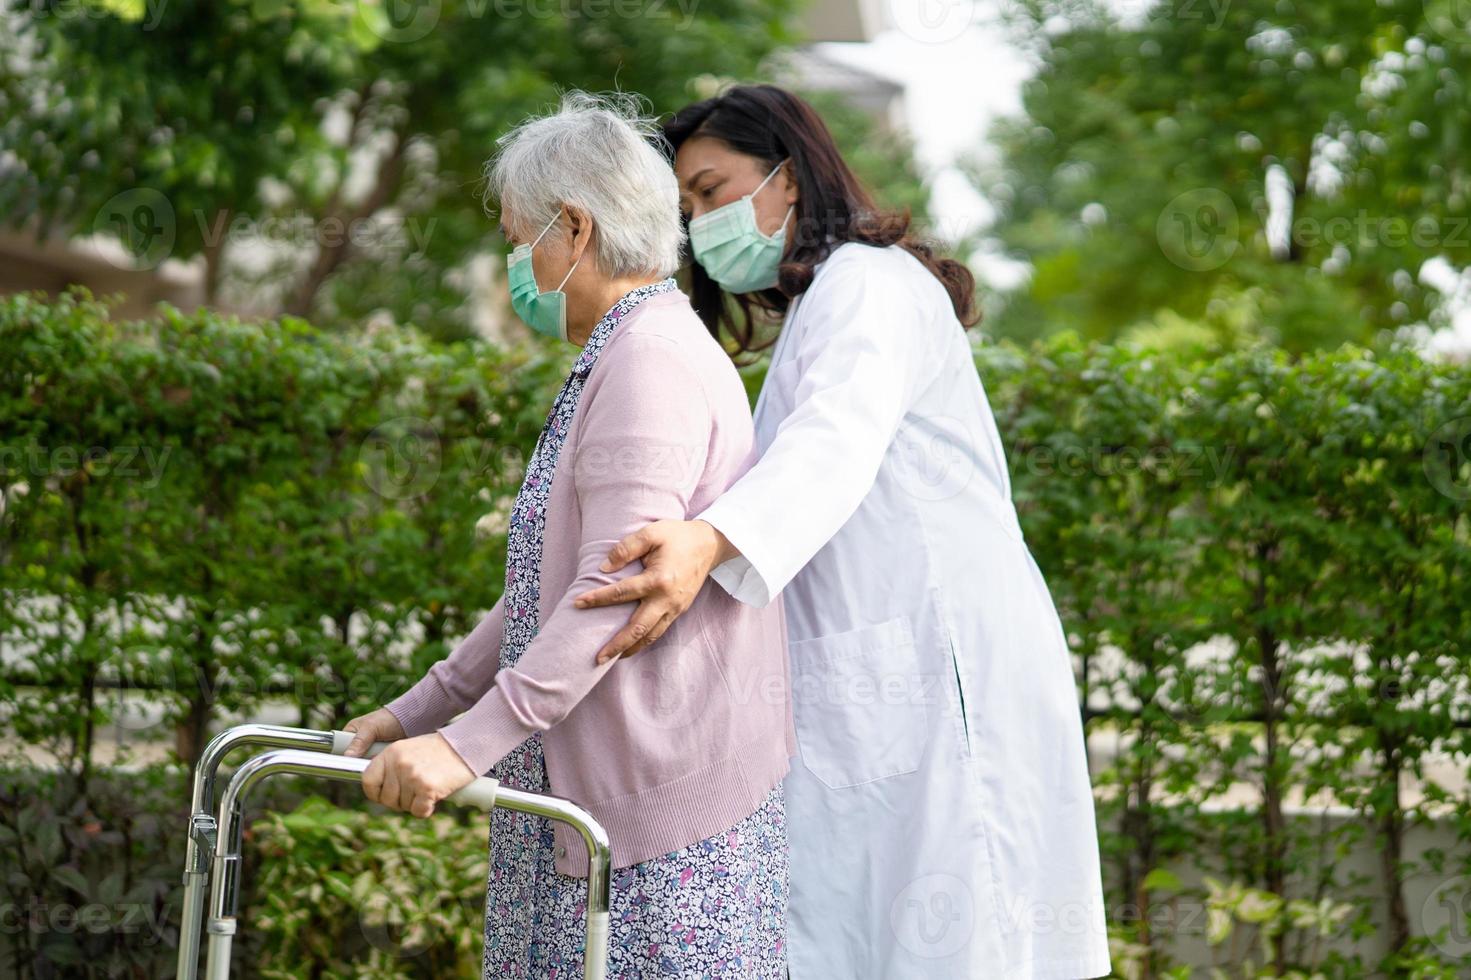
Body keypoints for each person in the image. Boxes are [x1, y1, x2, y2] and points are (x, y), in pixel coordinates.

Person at [572, 84, 1112, 979]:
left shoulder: (868, 285)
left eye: (711, 190)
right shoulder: (826, 303)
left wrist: (706, 541)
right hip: (878, 673)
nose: (701, 220)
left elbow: (836, 438)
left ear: (788, 178)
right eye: (689, 207)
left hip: (940, 668)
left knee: (958, 927)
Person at [340, 92, 794, 980]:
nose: (516, 259)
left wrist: (463, 745)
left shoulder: (649, 361)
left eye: (519, 236)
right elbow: (541, 595)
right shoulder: (626, 350)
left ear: (575, 229)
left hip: (652, 827)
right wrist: (415, 711)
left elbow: (607, 600)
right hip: (605, 802)